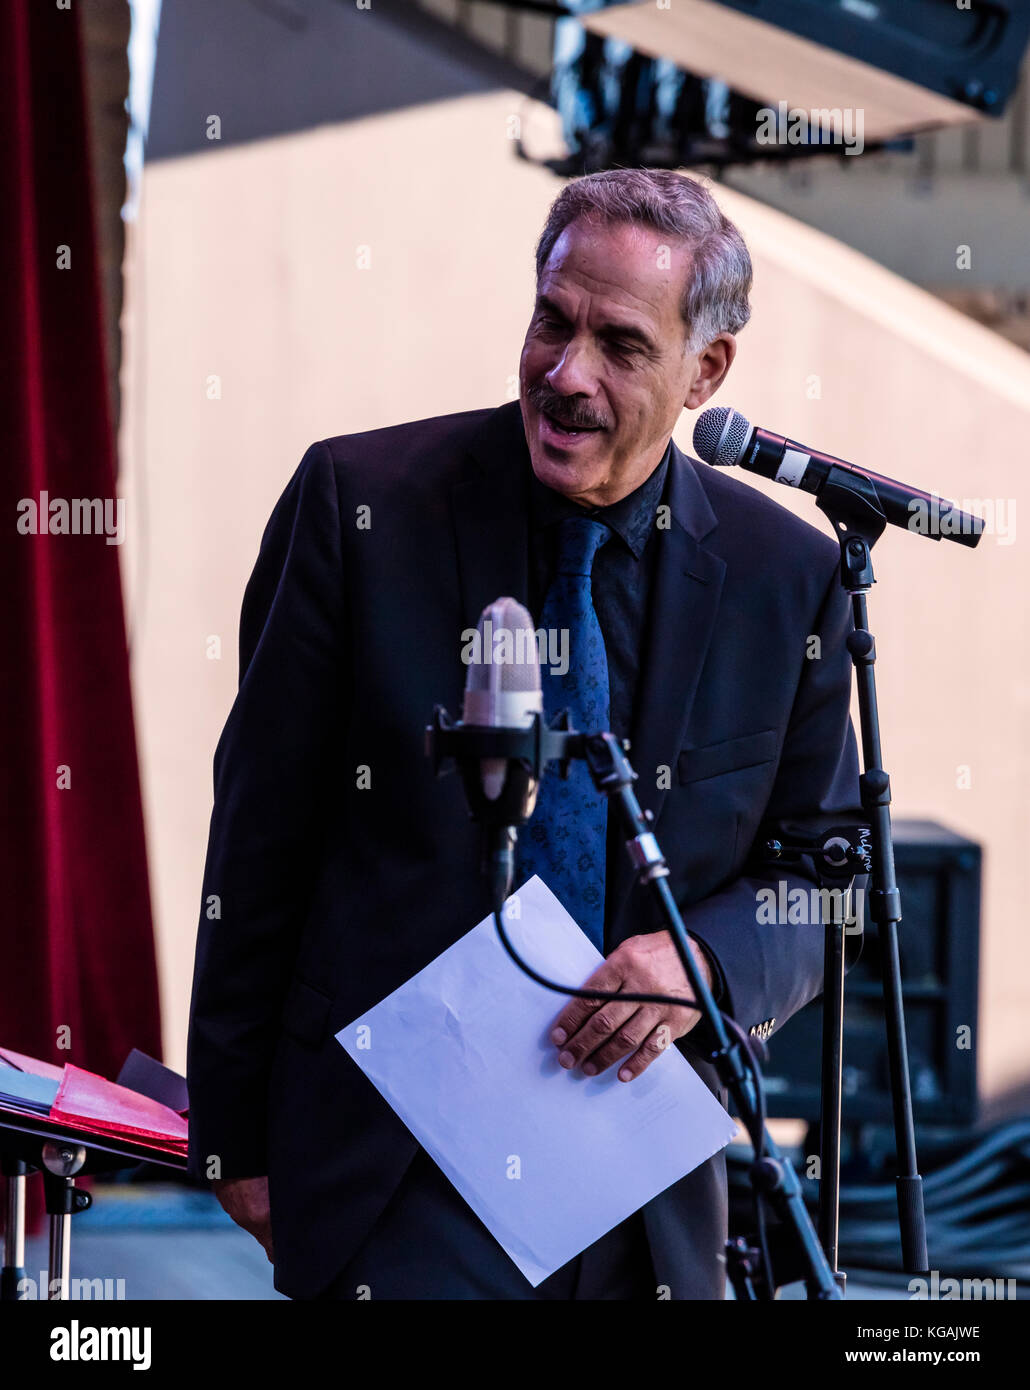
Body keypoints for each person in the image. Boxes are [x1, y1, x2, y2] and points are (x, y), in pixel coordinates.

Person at [186, 168, 863, 1300]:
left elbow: (823, 875)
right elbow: (258, 839)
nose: (566, 373)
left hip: (643, 1192)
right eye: (551, 319)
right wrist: (233, 1136)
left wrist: (707, 964)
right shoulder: (359, 506)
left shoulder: (787, 577)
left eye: (620, 344)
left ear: (708, 370)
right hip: (391, 1170)